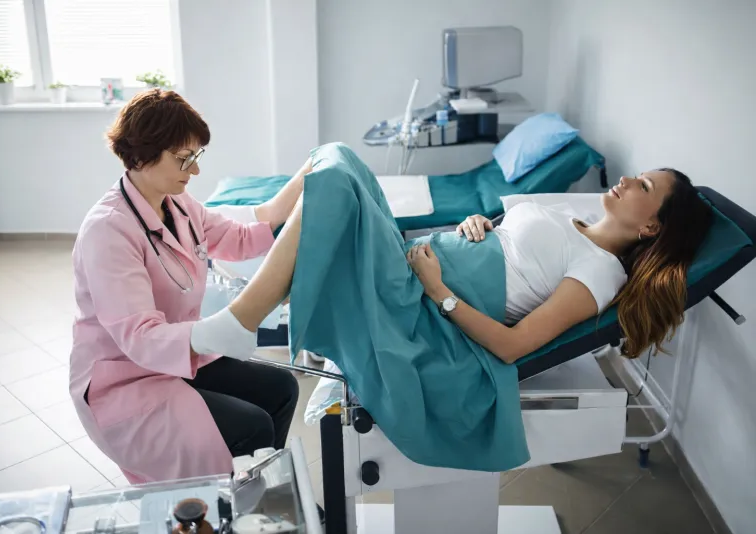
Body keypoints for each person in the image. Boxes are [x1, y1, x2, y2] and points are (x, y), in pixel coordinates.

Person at [200, 164, 712, 365]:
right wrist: (480, 222)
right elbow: (510, 242)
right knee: (332, 164)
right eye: (639, 175)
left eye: (644, 187)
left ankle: (243, 301)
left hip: (422, 293)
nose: (628, 180)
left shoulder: (603, 272)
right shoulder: (568, 215)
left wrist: (438, 289)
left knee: (333, 181)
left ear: (650, 228)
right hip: (425, 256)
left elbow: (513, 346)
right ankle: (255, 243)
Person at [69, 89, 311, 485]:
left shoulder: (177, 205)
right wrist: (230, 325)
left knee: (282, 389)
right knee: (251, 426)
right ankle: (235, 506)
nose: (194, 170)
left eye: (196, 157)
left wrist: (306, 179)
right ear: (143, 156)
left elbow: (242, 237)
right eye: (185, 159)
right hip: (126, 381)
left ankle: (258, 495)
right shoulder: (108, 231)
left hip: (176, 361)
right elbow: (141, 339)